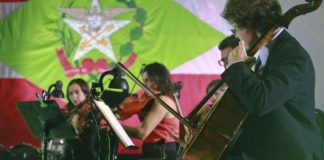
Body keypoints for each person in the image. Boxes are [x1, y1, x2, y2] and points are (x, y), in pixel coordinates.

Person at [220, 0, 323, 159]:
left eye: (237, 28)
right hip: (267, 148)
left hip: (290, 152)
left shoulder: (294, 57)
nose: (236, 35)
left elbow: (261, 101)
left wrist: (237, 66)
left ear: (250, 25)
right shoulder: (268, 52)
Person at [120, 62, 179, 160]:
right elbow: (141, 128)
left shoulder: (163, 101)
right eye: (143, 80)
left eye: (147, 80)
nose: (144, 84)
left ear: (157, 79)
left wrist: (116, 126)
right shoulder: (155, 100)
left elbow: (141, 133)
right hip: (152, 150)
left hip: (162, 152)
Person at [63, 78, 108, 160]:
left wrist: (77, 128)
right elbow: (68, 146)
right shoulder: (70, 115)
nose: (74, 97)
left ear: (86, 93)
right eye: (71, 94)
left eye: (77, 92)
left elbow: (89, 146)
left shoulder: (94, 113)